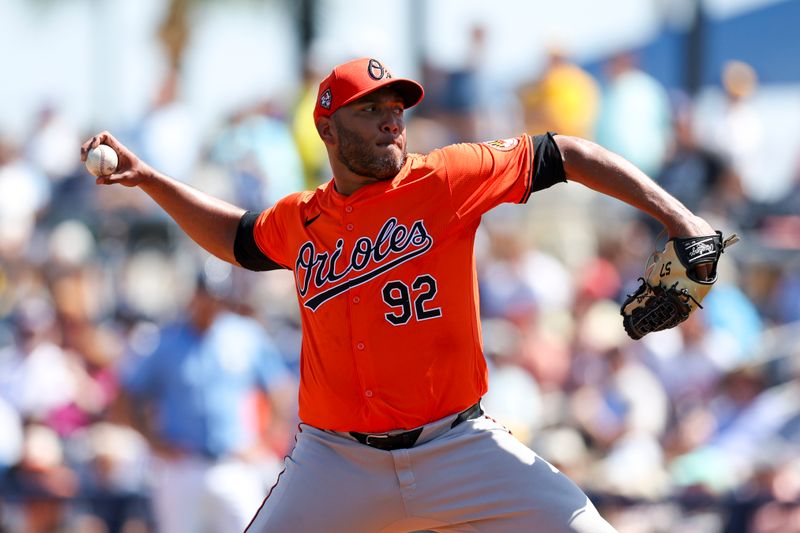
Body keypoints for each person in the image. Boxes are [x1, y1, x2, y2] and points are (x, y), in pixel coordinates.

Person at [82, 57, 717, 532]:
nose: (392, 119)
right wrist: (151, 179)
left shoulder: (447, 178)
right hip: (334, 461)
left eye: (397, 108)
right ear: (327, 131)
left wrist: (681, 220)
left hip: (458, 446)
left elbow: (566, 153)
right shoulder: (301, 218)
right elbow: (240, 239)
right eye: (370, 109)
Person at [115, 277, 296, 533]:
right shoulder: (167, 340)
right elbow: (128, 395)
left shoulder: (244, 335)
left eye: (215, 296)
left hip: (234, 462)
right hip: (183, 464)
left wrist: (266, 440)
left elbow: (280, 387)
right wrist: (154, 442)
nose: (208, 303)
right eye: (204, 295)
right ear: (193, 296)